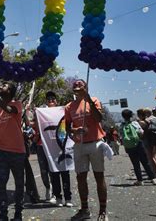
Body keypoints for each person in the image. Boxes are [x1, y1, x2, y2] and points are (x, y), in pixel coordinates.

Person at [64, 79, 108, 221]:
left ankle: (102, 211)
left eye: (80, 85)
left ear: (85, 87)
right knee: (80, 178)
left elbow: (99, 118)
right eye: (75, 85)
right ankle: (84, 210)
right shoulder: (69, 106)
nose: (77, 86)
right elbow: (67, 127)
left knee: (99, 177)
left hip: (95, 143)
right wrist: (76, 130)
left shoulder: (94, 100)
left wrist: (88, 99)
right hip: (79, 145)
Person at [0, 83, 25, 221]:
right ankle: (2, 213)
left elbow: (9, 110)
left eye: (4, 85)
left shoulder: (17, 104)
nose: (0, 86)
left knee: (19, 183)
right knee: (0, 183)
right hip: (1, 152)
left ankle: (18, 213)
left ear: (10, 91)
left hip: (17, 151)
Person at [41, 91, 72, 207]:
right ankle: (58, 197)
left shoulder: (63, 111)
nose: (51, 101)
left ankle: (68, 197)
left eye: (53, 99)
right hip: (50, 148)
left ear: (56, 101)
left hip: (62, 146)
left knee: (65, 172)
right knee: (54, 173)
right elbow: (35, 124)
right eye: (48, 99)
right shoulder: (42, 113)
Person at [119, 109, 156, 186]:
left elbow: (122, 136)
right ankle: (153, 178)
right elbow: (141, 132)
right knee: (145, 162)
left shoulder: (122, 125)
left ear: (123, 116)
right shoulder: (135, 123)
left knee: (135, 163)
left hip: (129, 147)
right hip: (138, 144)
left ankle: (140, 180)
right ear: (131, 116)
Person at [137, 108, 156, 179]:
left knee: (151, 157)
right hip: (155, 137)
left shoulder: (145, 121)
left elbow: (142, 130)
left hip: (148, 139)